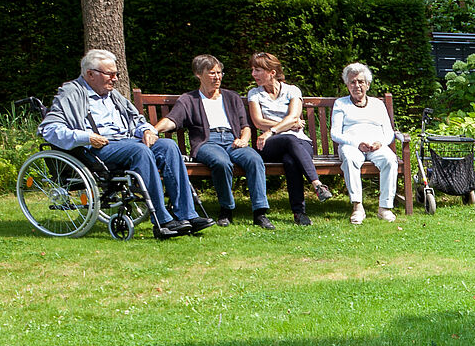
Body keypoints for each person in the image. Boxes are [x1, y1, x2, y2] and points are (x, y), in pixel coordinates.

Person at [37, 49, 207, 240]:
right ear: (90, 74)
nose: (116, 78)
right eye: (110, 74)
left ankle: (187, 215)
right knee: (140, 150)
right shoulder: (71, 93)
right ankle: (162, 220)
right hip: (97, 149)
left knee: (168, 146)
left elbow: (136, 120)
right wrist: (86, 136)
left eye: (116, 74)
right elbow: (49, 129)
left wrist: (147, 130)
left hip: (126, 143)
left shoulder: (114, 96)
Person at [154, 55, 272, 229]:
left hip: (233, 141)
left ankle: (260, 213)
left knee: (254, 160)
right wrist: (153, 130)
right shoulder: (189, 99)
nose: (217, 77)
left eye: (219, 73)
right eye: (212, 73)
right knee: (221, 162)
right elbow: (172, 120)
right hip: (207, 142)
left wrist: (244, 139)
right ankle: (226, 209)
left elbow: (245, 126)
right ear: (198, 74)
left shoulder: (232, 97)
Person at [247, 52, 332, 225]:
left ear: (272, 72)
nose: (253, 74)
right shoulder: (254, 94)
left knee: (291, 161)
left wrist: (272, 130)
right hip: (271, 145)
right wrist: (284, 126)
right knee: (289, 139)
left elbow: (295, 116)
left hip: (298, 143)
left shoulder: (292, 90)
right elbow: (258, 121)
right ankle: (317, 184)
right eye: (253, 70)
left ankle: (299, 214)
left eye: (258, 70)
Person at [331, 63, 401, 223]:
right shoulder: (341, 104)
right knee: (350, 159)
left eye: (360, 82)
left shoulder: (378, 104)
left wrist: (380, 142)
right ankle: (357, 206)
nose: (357, 86)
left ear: (367, 85)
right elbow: (335, 133)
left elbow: (389, 132)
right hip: (351, 145)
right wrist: (356, 143)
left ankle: (385, 207)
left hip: (376, 146)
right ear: (347, 85)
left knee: (390, 159)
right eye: (352, 82)